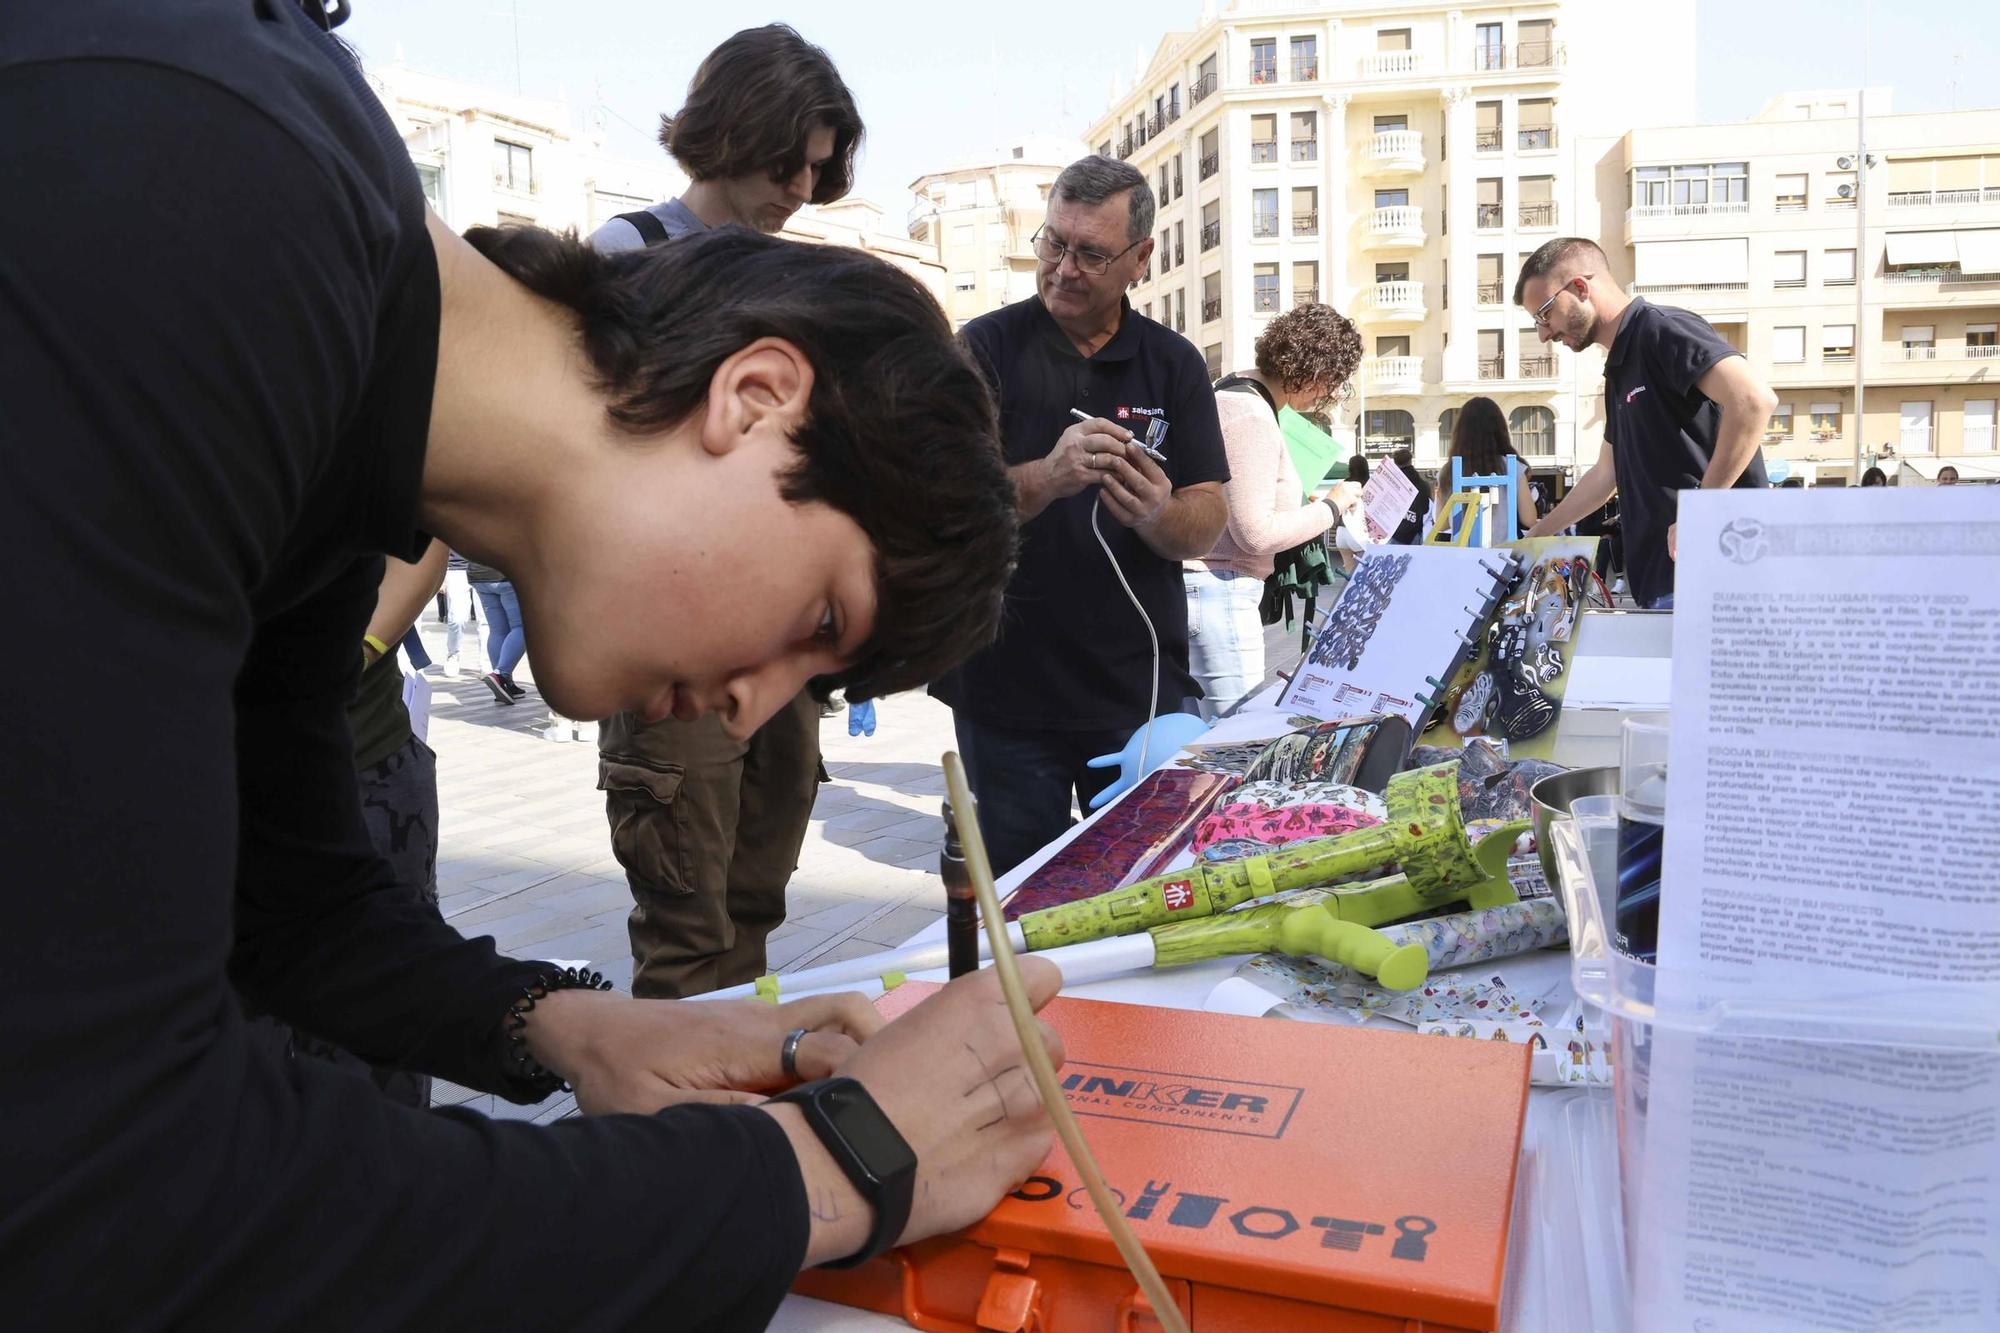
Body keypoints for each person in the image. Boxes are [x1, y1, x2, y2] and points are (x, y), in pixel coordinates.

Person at [2, 3, 1059, 1324]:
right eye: (821, 626)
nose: (748, 709)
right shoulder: (210, 203)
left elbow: (286, 897)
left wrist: (572, 1025)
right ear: (755, 399)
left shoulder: (351, 385)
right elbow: (108, 1180)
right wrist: (820, 1169)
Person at [587, 24, 863, 999]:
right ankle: (666, 1142)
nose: (797, 186)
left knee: (751, 922)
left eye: (816, 170)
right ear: (731, 129)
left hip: (778, 647)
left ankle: (726, 1126)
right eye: (785, 160)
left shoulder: (789, 272)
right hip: (670, 655)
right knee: (686, 941)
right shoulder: (627, 253)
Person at [931, 155, 1229, 876]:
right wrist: (1045, 477)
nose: (1064, 267)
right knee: (1021, 899)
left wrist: (1160, 514)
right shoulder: (984, 348)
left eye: (1091, 253)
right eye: (1053, 243)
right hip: (1004, 693)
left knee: (1140, 891)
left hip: (1138, 693)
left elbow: (1212, 512)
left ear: (1140, 259)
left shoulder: (1174, 363)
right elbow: (940, 503)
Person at [1515, 237, 1774, 609]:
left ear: (1580, 288)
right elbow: (1606, 475)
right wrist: (1539, 533)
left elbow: (1753, 401)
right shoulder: (1619, 368)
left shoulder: (1661, 330)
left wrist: (1698, 512)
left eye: (1544, 313)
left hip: (1715, 578)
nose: (1543, 334)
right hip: (1659, 583)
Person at [1184, 304, 1362, 719]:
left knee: (1202, 742)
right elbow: (1255, 534)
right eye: (1331, 383)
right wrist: (1333, 507)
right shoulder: (1251, 415)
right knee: (1235, 739)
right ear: (1316, 372)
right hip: (1220, 590)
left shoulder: (1230, 393)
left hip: (1202, 590)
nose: (1326, 394)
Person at [1436, 396, 1537, 540]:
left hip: (1462, 556)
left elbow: (1441, 524)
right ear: (1499, 429)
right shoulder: (1512, 467)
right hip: (1503, 555)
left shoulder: (1448, 471)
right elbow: (1530, 519)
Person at [468, 557, 528, 704]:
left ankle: (503, 683)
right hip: (505, 575)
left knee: (497, 630)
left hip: (478, 574)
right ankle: (501, 675)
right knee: (522, 627)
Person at [1387, 447, 1432, 544]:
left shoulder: (1389, 483)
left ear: (1394, 463)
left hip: (1393, 533)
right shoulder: (1423, 485)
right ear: (1411, 461)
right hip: (1414, 534)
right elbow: (1426, 509)